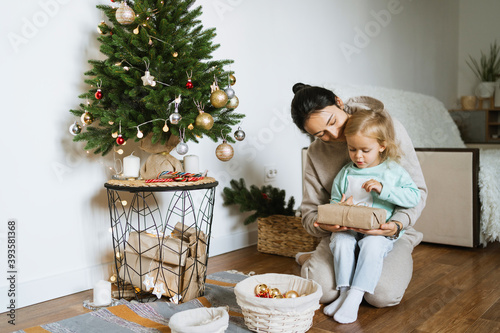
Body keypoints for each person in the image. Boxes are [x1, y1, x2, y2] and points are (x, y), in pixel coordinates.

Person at [290, 83, 427, 314]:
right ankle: (317, 260)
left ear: (339, 102)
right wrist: (325, 223)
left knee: (382, 295)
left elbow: (417, 192)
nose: (333, 135)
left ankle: (352, 269)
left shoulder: (387, 128)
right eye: (319, 134)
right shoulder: (316, 153)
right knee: (322, 292)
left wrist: (396, 225)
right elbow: (310, 213)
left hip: (388, 233)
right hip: (342, 234)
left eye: (332, 122)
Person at [324, 109, 420, 324]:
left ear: (382, 146)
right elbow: (333, 201)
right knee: (340, 242)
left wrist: (384, 189)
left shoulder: (392, 171)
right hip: (349, 229)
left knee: (372, 245)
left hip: (378, 233)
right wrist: (339, 208)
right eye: (352, 149)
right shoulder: (346, 173)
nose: (358, 156)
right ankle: (344, 292)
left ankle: (356, 295)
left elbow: (414, 196)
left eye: (365, 150)